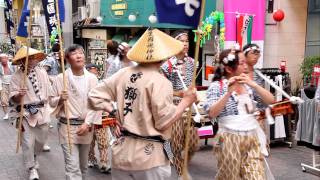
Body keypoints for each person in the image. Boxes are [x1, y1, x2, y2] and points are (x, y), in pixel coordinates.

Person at [88, 28, 197, 180]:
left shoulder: (123, 73)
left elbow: (94, 95)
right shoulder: (161, 82)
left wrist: (113, 112)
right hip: (150, 157)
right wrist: (185, 102)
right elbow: (163, 122)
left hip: (122, 154)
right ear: (163, 56)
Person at [204, 48, 274, 180]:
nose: (245, 66)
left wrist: (254, 85)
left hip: (252, 137)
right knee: (230, 177)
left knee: (256, 176)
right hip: (229, 138)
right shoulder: (217, 86)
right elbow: (212, 113)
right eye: (242, 63)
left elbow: (271, 100)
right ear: (229, 69)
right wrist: (228, 92)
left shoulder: (248, 85)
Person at [49, 44, 100, 180]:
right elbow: (51, 101)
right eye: (74, 53)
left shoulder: (93, 78)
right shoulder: (61, 78)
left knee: (83, 167)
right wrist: (60, 99)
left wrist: (88, 123)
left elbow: (96, 104)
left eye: (81, 53)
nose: (79, 56)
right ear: (67, 58)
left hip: (86, 127)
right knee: (72, 168)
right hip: (67, 128)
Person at [160, 30, 199, 178]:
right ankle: (182, 172)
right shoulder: (166, 66)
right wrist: (179, 93)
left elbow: (192, 85)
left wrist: (193, 95)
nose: (185, 44)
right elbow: (163, 91)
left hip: (190, 108)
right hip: (175, 107)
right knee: (176, 146)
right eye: (182, 41)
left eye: (187, 41)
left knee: (194, 143)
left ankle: (175, 158)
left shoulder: (193, 62)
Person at [9, 47, 51, 180]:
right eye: (29, 58)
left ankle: (34, 156)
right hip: (26, 113)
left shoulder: (42, 72)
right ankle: (31, 168)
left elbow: (49, 90)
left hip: (43, 111)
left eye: (33, 57)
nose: (33, 60)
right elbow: (13, 97)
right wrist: (18, 95)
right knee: (28, 142)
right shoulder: (16, 76)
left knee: (41, 140)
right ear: (22, 60)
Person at [85, 63, 111, 173]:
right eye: (93, 70)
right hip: (87, 116)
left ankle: (104, 162)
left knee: (103, 140)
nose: (95, 72)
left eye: (96, 71)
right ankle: (91, 158)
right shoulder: (83, 83)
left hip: (101, 115)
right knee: (90, 141)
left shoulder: (102, 83)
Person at [0, 53, 15, 120]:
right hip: (3, 84)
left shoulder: (12, 65)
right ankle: (6, 114)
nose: (4, 60)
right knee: (3, 100)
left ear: (7, 59)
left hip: (13, 84)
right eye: (2, 59)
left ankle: (19, 112)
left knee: (16, 99)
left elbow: (17, 73)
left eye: (5, 58)